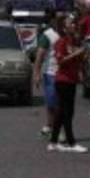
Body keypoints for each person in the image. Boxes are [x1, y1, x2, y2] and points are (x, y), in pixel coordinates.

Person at [50, 18, 89, 153]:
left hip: (71, 80)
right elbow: (61, 61)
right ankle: (71, 142)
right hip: (63, 80)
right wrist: (75, 54)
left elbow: (78, 61)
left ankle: (53, 141)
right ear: (65, 28)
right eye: (70, 24)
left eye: (74, 23)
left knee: (62, 113)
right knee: (67, 112)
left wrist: (84, 55)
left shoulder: (74, 42)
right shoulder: (61, 42)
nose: (74, 25)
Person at [32, 10, 62, 139]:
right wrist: (37, 73)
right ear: (52, 20)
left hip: (64, 74)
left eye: (64, 18)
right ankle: (50, 126)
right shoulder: (47, 35)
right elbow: (40, 56)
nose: (63, 21)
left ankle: (57, 128)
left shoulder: (68, 34)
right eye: (60, 18)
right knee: (51, 103)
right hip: (50, 73)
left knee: (59, 103)